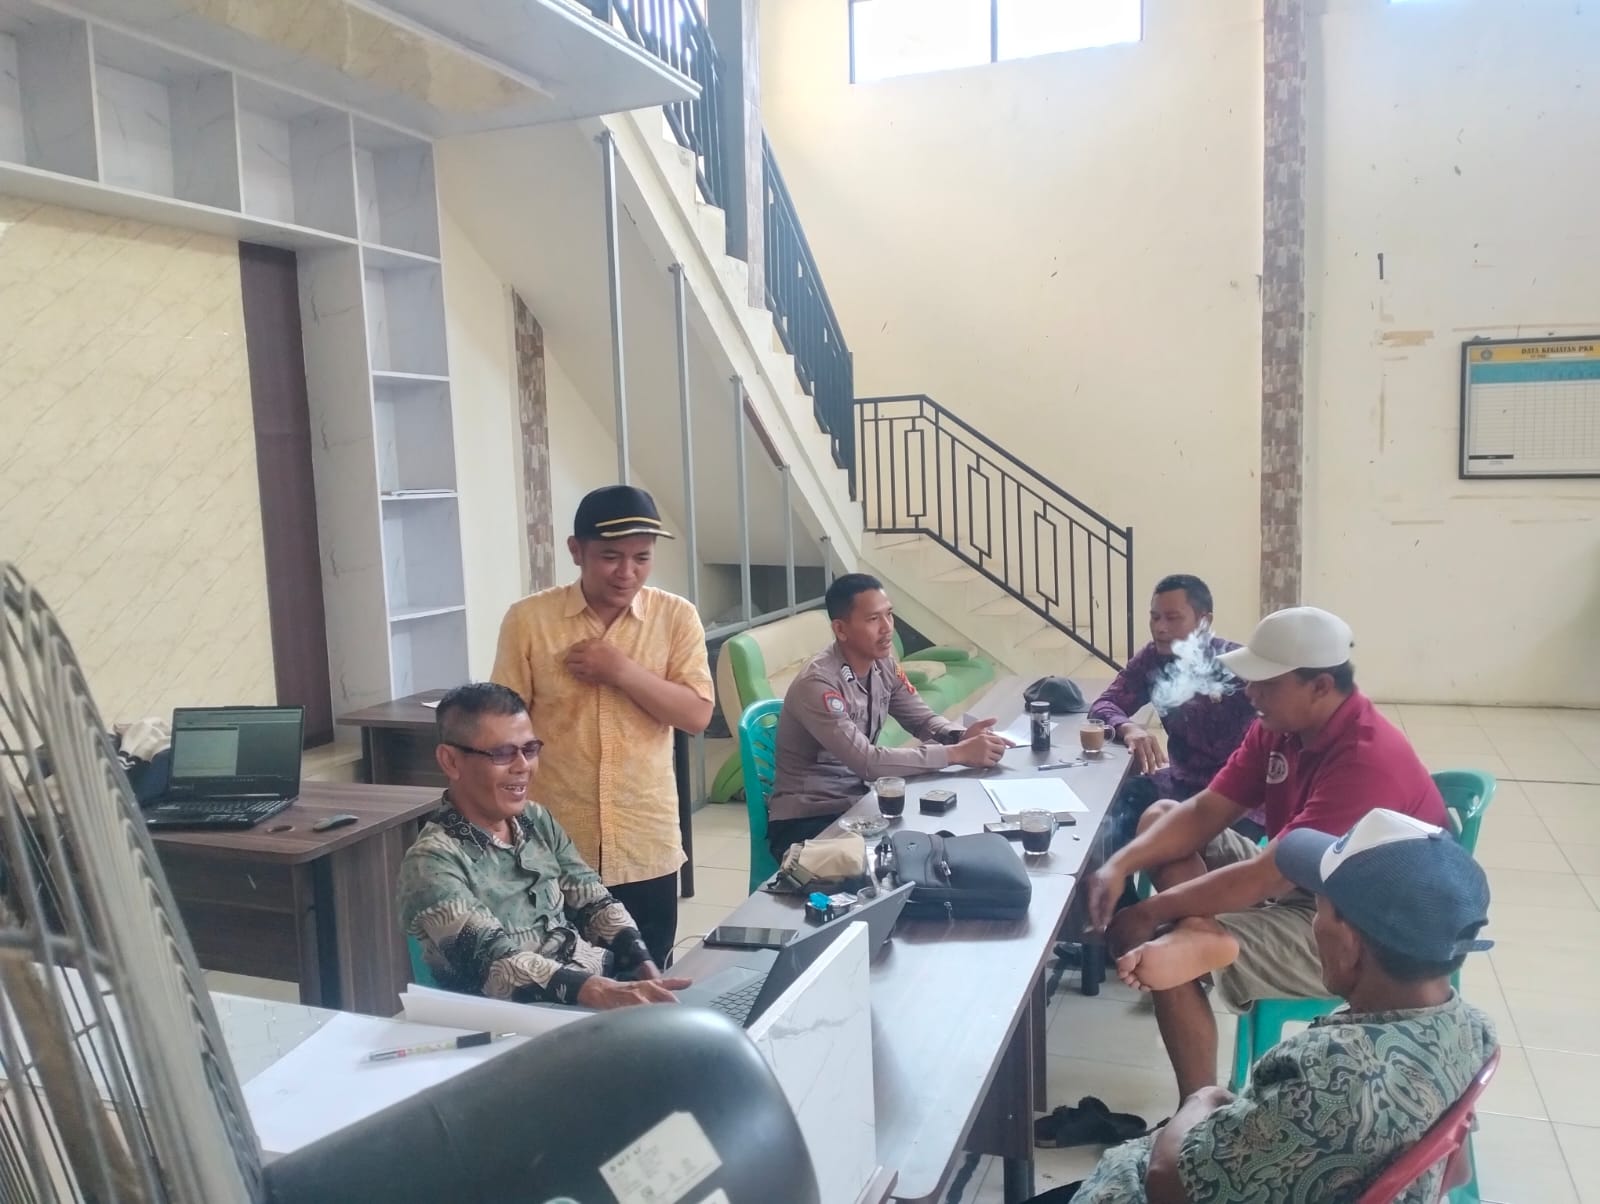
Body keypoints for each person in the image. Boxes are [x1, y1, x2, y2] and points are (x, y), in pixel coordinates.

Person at [1085, 606, 1448, 1104]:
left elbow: (1267, 875)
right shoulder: (1280, 727)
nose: (1251, 694)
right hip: (1302, 885)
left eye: (1267, 684)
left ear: (1320, 686)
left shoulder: (1366, 759)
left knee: (1172, 957)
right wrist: (1118, 866)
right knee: (1162, 815)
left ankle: (1197, 1117)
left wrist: (1148, 911)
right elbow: (1206, 809)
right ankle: (1200, 935)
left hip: (1360, 932)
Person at [1054, 808, 1496, 1204]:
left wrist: (1201, 1100)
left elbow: (1167, 1183)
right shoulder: (1473, 1031)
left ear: (1351, 944)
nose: (1313, 925)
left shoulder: (1330, 1071)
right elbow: (1456, 1171)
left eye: (1317, 911)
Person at [491, 485, 714, 966]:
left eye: (641, 558)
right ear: (576, 551)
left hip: (644, 842)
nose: (626, 572)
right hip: (552, 847)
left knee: (644, 979)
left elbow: (696, 715)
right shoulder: (530, 620)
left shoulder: (676, 617)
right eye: (610, 557)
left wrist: (622, 671)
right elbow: (503, 730)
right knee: (555, 981)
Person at [397, 683, 690, 1009]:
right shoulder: (432, 863)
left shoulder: (535, 819)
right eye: (502, 753)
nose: (523, 766)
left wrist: (644, 965)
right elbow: (499, 965)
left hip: (588, 993)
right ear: (451, 761)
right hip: (520, 1019)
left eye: (530, 749)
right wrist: (598, 992)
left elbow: (594, 900)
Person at [765, 574, 1010, 861]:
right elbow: (867, 762)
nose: (887, 628)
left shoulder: (883, 665)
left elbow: (922, 719)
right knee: (910, 862)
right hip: (809, 820)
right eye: (873, 619)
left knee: (946, 841)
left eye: (889, 614)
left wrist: (960, 736)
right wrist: (957, 753)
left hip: (860, 805)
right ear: (840, 629)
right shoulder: (819, 684)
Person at [1088, 574, 1258, 842]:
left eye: (1172, 618)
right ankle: (1110, 870)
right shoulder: (1152, 659)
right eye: (1155, 617)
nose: (1160, 628)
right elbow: (1104, 705)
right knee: (1116, 803)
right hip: (1181, 784)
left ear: (1204, 621)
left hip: (1237, 798)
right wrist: (1129, 728)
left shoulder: (1236, 664)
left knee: (1183, 847)